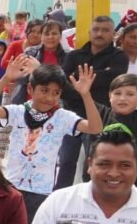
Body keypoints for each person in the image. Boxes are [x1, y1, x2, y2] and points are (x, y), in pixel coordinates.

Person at [0, 59, 102, 222]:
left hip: (41, 192)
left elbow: (95, 128)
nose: (49, 97)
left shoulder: (63, 117)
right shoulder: (18, 112)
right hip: (11, 187)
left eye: (56, 93)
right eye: (44, 90)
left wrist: (86, 95)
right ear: (30, 89)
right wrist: (5, 79)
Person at [55, 16, 129, 189]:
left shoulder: (120, 57)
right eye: (96, 29)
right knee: (65, 162)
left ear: (113, 34)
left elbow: (113, 79)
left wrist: (80, 80)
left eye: (105, 30)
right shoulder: (74, 55)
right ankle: (58, 197)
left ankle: (91, 200)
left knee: (93, 164)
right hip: (71, 116)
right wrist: (99, 76)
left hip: (100, 118)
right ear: (89, 32)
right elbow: (63, 83)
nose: (100, 33)